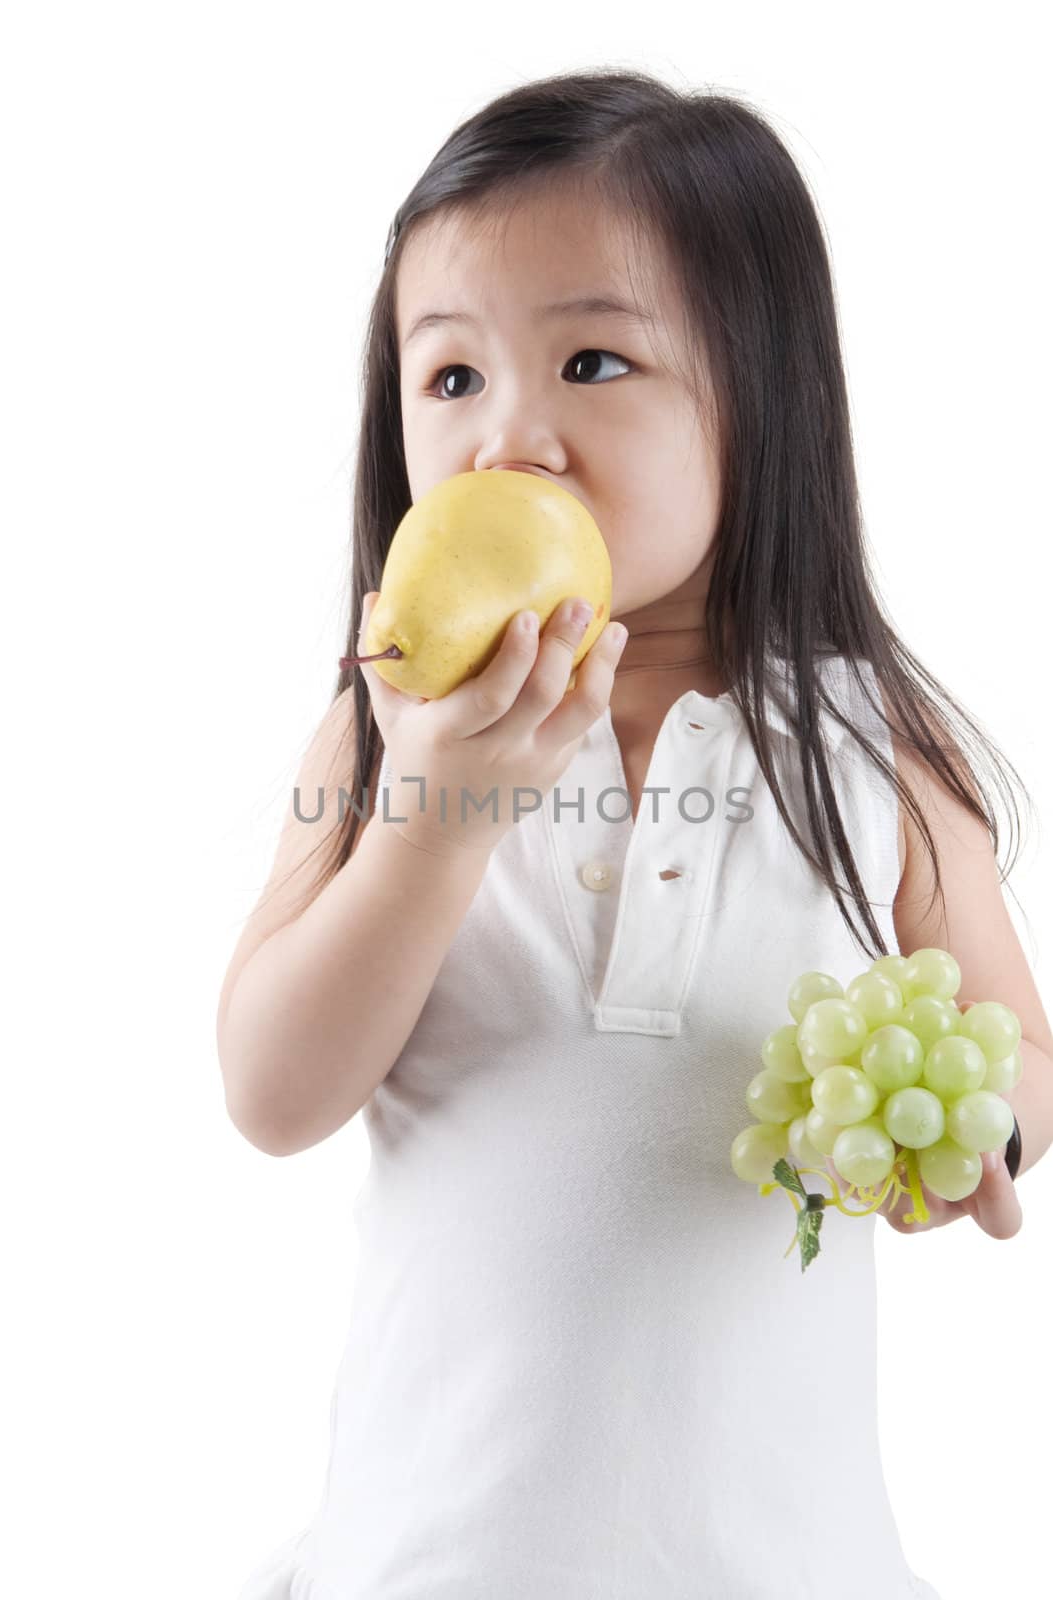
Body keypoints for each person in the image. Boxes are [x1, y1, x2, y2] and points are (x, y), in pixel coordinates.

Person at [218, 68, 1053, 1600]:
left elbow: (1019, 1052)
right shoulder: (380, 734)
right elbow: (273, 1090)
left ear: (764, 399)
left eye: (593, 361)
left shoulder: (874, 745)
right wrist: (435, 817)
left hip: (789, 1569)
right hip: (429, 1566)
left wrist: (969, 1136)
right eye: (451, 379)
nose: (507, 444)